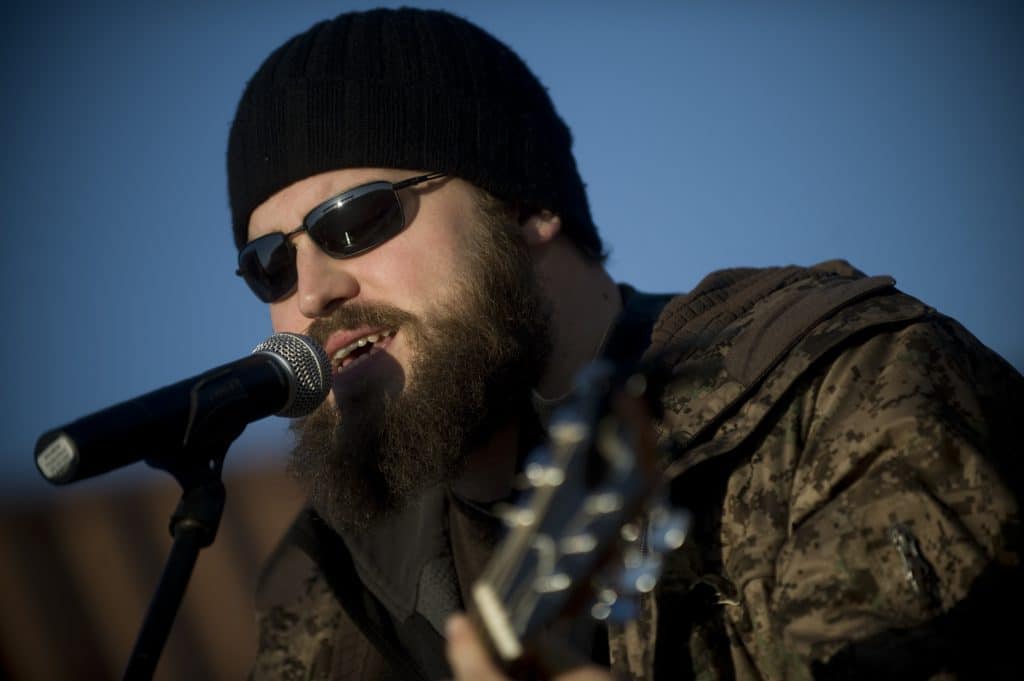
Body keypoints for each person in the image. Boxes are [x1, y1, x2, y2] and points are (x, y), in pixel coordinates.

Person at [227, 8, 1023, 680]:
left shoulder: (836, 393)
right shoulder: (325, 588)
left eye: (355, 219)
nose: (311, 289)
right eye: (271, 265)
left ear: (526, 203)